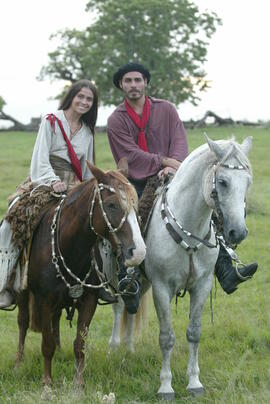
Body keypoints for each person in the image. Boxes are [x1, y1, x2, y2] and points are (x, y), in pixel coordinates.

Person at [107, 62, 258, 313]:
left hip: (174, 173)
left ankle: (226, 270)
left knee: (204, 210)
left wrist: (176, 165)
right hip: (136, 178)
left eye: (137, 80)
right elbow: (128, 153)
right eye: (128, 81)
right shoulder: (116, 119)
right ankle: (129, 277)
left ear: (146, 83)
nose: (133, 85)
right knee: (132, 217)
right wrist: (162, 161)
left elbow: (178, 139)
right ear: (121, 86)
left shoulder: (166, 109)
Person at [0, 79, 112, 309]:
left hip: (75, 185)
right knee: (12, 222)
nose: (84, 102)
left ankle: (101, 280)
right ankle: (7, 283)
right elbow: (40, 157)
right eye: (80, 96)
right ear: (71, 97)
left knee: (101, 223)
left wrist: (86, 190)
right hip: (44, 180)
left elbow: (86, 168)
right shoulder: (51, 121)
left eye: (89, 99)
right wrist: (52, 181)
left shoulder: (88, 132)